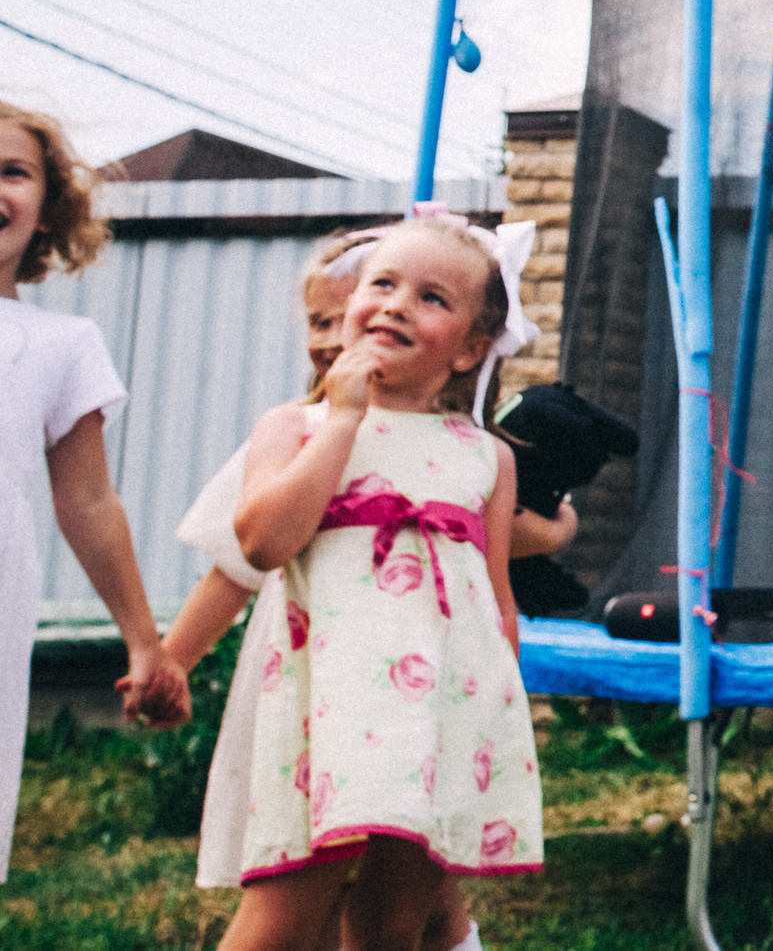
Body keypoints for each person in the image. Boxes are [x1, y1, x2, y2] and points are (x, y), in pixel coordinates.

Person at [167, 223, 559, 951]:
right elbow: (262, 541)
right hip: (324, 717)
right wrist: (345, 416)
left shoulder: (486, 459)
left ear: (472, 348)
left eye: (432, 296)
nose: (397, 304)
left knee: (391, 924)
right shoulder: (296, 427)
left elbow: (495, 600)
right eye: (383, 283)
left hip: (437, 720)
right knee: (279, 921)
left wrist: (496, 725)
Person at [0, 101, 189, 882]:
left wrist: (145, 641)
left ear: (48, 211)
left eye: (13, 171)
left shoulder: (59, 345)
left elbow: (88, 502)